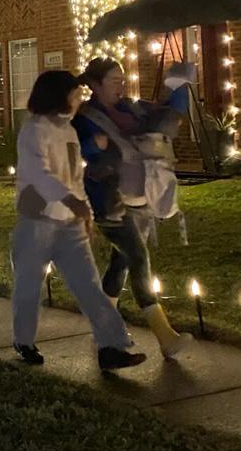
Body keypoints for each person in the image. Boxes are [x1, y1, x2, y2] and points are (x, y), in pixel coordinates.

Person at [11, 69, 146, 371]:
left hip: (71, 223)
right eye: (75, 95)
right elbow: (39, 176)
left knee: (89, 286)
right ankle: (24, 341)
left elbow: (75, 176)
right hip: (38, 221)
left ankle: (112, 347)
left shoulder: (69, 130)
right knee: (29, 285)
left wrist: (83, 209)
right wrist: (73, 202)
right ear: (59, 96)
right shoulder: (34, 130)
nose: (79, 100)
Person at [75, 56, 193, 359]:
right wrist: (93, 147)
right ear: (95, 85)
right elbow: (74, 146)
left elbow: (169, 114)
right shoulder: (86, 117)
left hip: (142, 199)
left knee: (122, 263)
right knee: (139, 258)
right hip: (110, 203)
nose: (121, 85)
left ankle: (103, 328)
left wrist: (178, 81)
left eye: (122, 79)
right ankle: (166, 337)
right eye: (114, 80)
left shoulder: (132, 108)